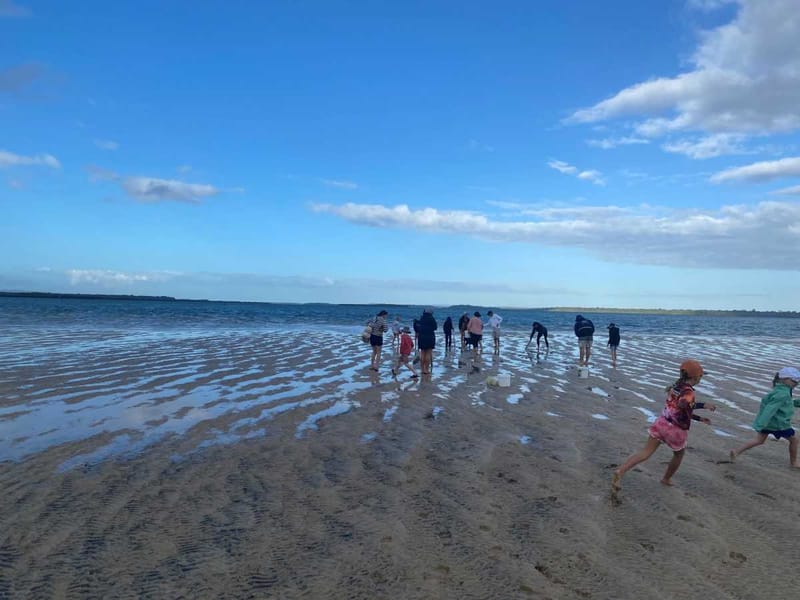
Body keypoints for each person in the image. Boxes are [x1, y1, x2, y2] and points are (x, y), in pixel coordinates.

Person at [612, 359, 715, 493]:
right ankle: (666, 479)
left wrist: (699, 417)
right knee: (679, 455)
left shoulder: (675, 387)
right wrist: (703, 407)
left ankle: (620, 471)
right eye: (701, 376)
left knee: (645, 452)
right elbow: (683, 408)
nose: (701, 378)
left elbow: (678, 410)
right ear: (696, 377)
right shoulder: (688, 392)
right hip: (676, 431)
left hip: (661, 423)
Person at [729, 366, 800, 468]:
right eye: (794, 381)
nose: (796, 383)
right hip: (779, 424)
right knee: (794, 440)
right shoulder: (783, 393)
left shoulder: (779, 389)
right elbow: (770, 408)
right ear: (784, 379)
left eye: (797, 381)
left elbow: (786, 403)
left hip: (768, 423)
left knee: (759, 440)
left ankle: (736, 451)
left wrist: (797, 402)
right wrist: (760, 423)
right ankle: (794, 463)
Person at [417, 308, 437, 375]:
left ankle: (422, 369)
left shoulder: (422, 318)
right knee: (428, 353)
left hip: (421, 336)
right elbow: (435, 327)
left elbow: (418, 327)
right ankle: (426, 369)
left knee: (422, 353)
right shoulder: (432, 318)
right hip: (430, 336)